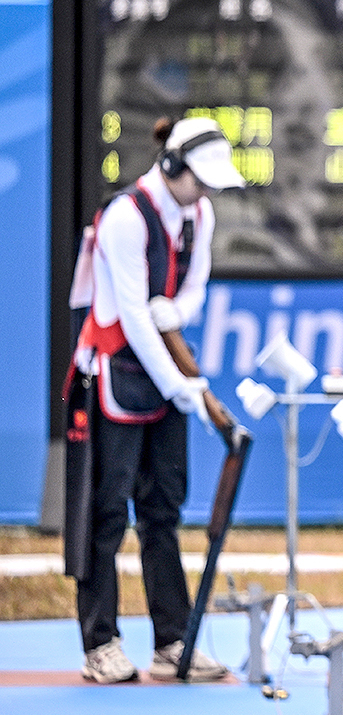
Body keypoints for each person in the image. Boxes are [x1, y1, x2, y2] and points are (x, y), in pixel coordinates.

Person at [65, 116, 247, 683]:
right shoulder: (124, 216)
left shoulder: (201, 212)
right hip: (116, 370)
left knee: (163, 508)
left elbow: (190, 291)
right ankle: (100, 642)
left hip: (165, 373)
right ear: (171, 165)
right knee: (107, 511)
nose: (207, 190)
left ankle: (172, 642)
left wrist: (182, 314)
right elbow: (136, 317)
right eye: (201, 178)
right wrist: (179, 385)